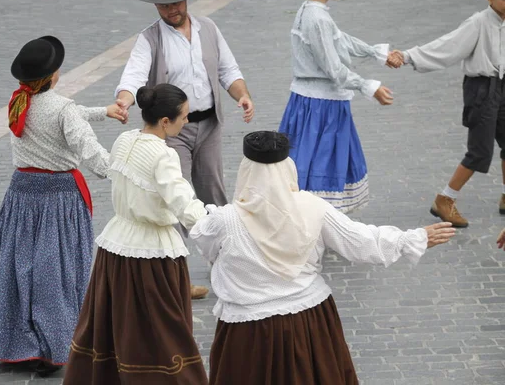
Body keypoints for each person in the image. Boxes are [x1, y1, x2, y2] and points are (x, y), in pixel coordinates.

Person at [190, 131, 456, 385]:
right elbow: (360, 241)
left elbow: (207, 249)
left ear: (246, 171)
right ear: (288, 169)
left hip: (249, 332)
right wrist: (412, 239)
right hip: (308, 323)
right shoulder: (313, 208)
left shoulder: (223, 221)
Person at [0, 36, 127, 376]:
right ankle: (54, 346)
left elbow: (65, 114)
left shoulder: (18, 102)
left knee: (20, 269)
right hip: (58, 198)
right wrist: (120, 172)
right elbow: (88, 148)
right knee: (56, 273)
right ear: (53, 75)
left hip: (21, 195)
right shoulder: (62, 109)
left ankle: (20, 343)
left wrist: (103, 111)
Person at [114, 0, 255, 299]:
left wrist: (242, 94)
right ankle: (178, 279)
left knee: (213, 195)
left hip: (210, 125)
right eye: (163, 6)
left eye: (175, 3)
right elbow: (133, 75)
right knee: (176, 202)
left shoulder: (209, 28)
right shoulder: (150, 38)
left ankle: (227, 265)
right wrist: (124, 101)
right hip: (173, 130)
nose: (170, 10)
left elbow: (227, 69)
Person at [64, 84, 209, 385]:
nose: (187, 121)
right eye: (183, 116)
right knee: (163, 330)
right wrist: (215, 225)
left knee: (117, 325)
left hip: (115, 249)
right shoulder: (163, 156)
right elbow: (183, 202)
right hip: (152, 254)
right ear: (166, 122)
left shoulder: (124, 139)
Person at [390, 0, 505, 228]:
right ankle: (445, 199)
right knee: (480, 152)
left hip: (504, 86)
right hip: (482, 89)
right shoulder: (478, 23)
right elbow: (447, 46)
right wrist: (409, 55)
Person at [279, 0, 399, 214]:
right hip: (320, 107)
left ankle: (316, 225)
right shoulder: (317, 18)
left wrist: (376, 53)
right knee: (320, 165)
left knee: (309, 162)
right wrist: (368, 87)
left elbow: (341, 40)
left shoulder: (311, 10)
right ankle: (318, 226)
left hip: (312, 103)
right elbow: (333, 68)